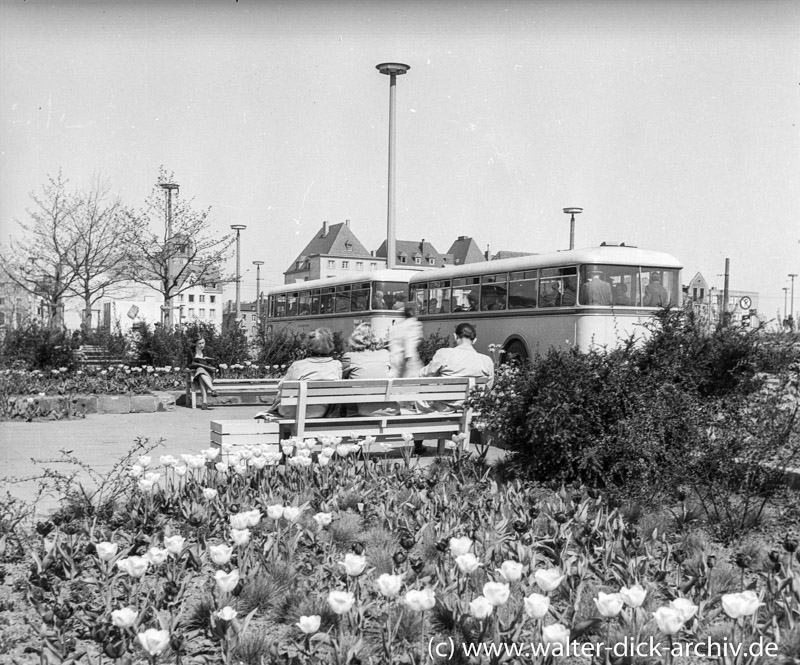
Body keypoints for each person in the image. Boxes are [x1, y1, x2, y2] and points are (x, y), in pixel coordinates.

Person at [414, 322, 495, 454]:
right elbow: (488, 388)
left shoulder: (444, 354)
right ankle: (460, 445)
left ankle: (418, 443)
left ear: (455, 337)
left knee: (420, 398)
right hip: (470, 406)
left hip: (444, 405)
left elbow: (424, 374)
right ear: (474, 340)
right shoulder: (486, 361)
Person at [267, 328, 342, 418]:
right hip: (320, 410)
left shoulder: (299, 365)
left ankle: (286, 430)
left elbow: (282, 386)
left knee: (282, 395)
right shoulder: (336, 365)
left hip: (294, 411)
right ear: (330, 345)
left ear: (309, 346)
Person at [341, 323, 395, 415]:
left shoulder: (350, 357)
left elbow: (340, 378)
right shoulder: (385, 354)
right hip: (390, 409)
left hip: (362, 411)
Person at [388, 304, 423, 378]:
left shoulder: (397, 327)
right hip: (408, 368)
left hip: (395, 366)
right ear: (413, 312)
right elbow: (409, 351)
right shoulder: (413, 326)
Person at [187, 337, 218, 410]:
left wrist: (206, 360)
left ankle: (205, 402)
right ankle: (212, 390)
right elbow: (189, 364)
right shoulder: (191, 350)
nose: (202, 345)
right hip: (196, 373)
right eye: (199, 343)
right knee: (200, 371)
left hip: (208, 372)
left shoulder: (209, 349)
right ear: (195, 344)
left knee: (201, 375)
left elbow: (213, 363)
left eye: (203, 343)